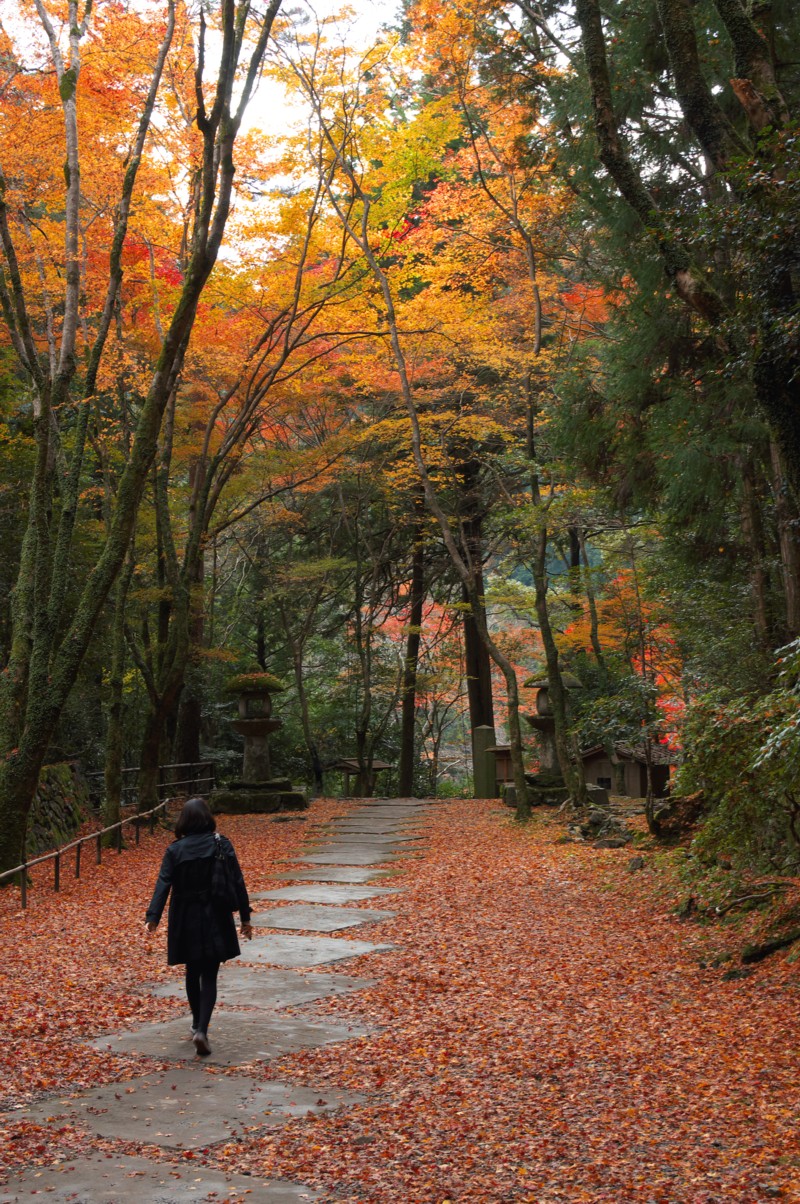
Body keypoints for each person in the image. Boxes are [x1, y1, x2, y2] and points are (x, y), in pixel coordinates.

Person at [145, 797, 252, 1056]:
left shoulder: (175, 850)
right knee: (210, 974)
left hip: (185, 915)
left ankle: (195, 1024)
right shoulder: (221, 844)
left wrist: (153, 916)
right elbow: (237, 881)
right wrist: (245, 917)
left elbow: (164, 883)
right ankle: (202, 1029)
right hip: (215, 913)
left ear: (184, 820)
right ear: (207, 818)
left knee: (192, 972)